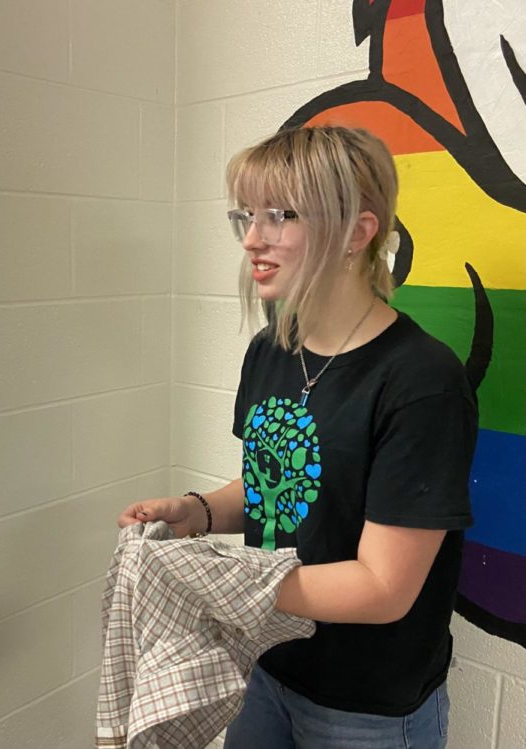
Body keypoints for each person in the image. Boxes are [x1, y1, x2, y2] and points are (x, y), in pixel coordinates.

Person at [118, 126, 476, 749]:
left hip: (367, 706)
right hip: (264, 667)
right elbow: (274, 483)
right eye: (246, 216)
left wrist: (218, 580)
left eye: (280, 216)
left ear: (358, 233)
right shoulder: (271, 351)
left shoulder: (422, 382)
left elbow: (384, 588)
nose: (252, 239)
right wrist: (197, 514)